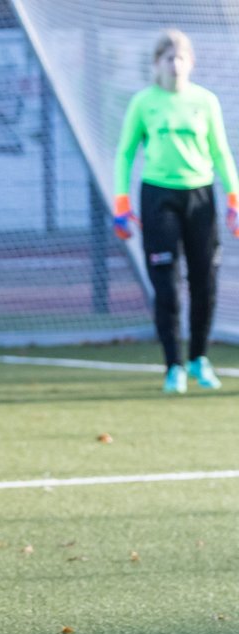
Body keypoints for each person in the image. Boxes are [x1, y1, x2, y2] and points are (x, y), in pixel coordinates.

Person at [113, 28, 239, 394]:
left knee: (205, 282)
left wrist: (234, 196)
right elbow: (124, 153)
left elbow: (220, 152)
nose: (177, 64)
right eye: (169, 58)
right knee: (166, 286)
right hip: (158, 198)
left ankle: (199, 358)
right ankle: (173, 366)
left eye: (182, 57)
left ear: (191, 63)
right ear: (157, 64)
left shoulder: (205, 101)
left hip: (200, 197)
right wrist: (121, 203)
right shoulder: (144, 102)